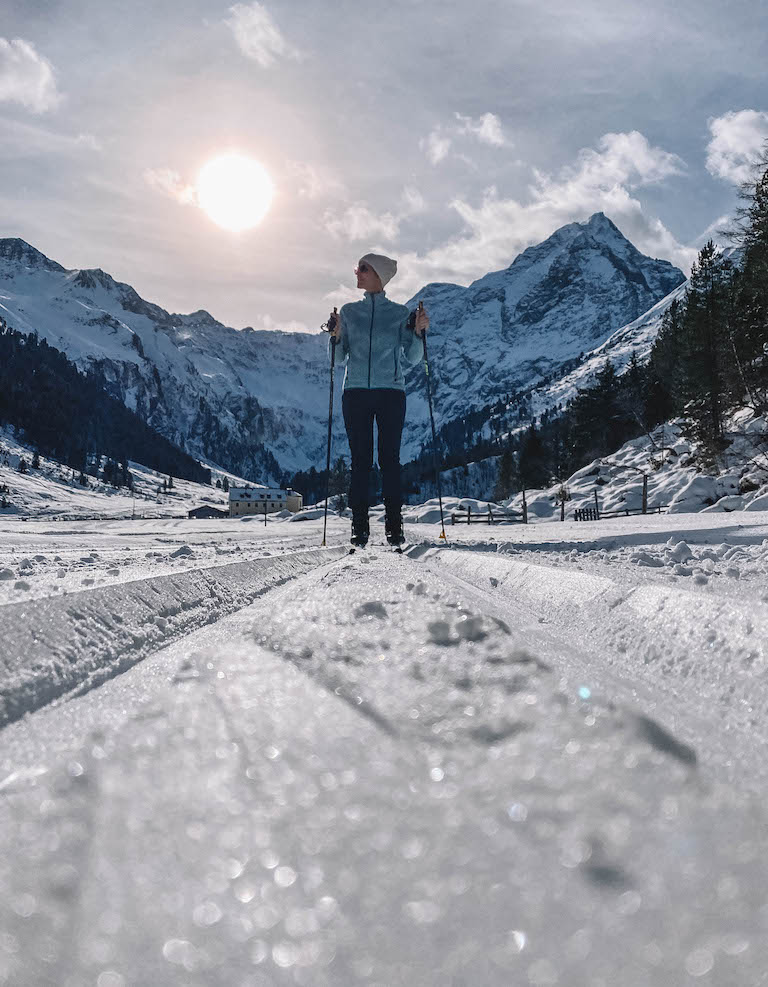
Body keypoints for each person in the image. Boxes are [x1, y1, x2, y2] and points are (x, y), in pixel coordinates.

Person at [328, 252, 429, 547]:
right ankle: (359, 528)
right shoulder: (348, 312)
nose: (356, 272)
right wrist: (334, 336)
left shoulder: (399, 314)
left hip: (391, 393)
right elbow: (337, 358)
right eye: (357, 267)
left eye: (363, 268)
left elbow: (412, 356)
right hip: (355, 392)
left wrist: (419, 333)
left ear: (379, 276)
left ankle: (394, 527)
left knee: (389, 461)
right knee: (360, 462)